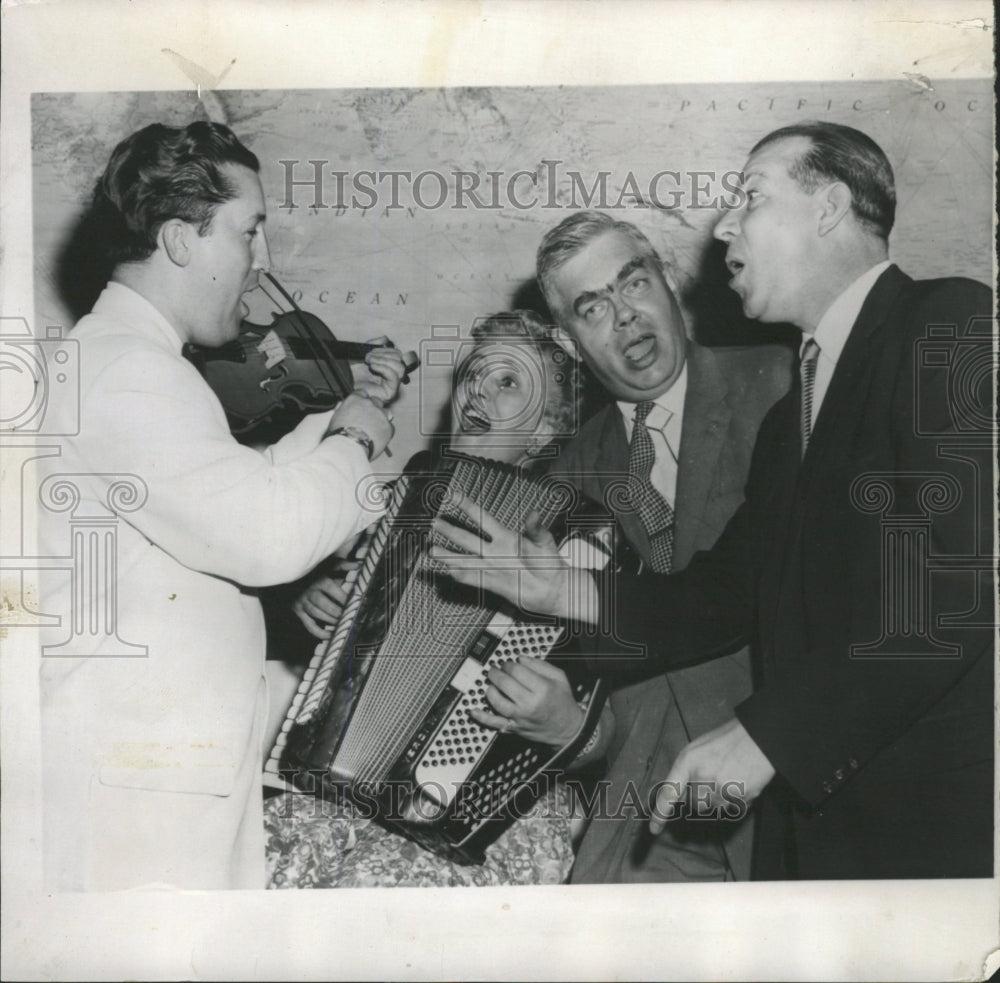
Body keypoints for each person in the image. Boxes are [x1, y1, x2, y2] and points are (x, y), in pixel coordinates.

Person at [431, 122, 994, 880]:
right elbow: (722, 596)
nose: (723, 225)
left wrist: (767, 737)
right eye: (592, 307)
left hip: (927, 829)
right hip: (818, 837)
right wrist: (560, 585)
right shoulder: (795, 420)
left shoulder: (948, 320)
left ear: (829, 207)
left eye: (751, 198)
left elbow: (949, 592)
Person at [38, 121, 410, 891]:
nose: (262, 259)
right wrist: (358, 440)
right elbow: (268, 534)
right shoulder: (129, 373)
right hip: (143, 799)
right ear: (181, 240)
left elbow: (234, 489)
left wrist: (340, 426)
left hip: (151, 777)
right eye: (250, 231)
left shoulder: (122, 365)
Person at [469, 211, 792, 884]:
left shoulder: (782, 384)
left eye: (633, 283)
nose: (625, 316)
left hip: (791, 790)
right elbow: (594, 699)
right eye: (593, 308)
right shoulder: (558, 485)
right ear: (569, 338)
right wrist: (567, 726)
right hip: (653, 820)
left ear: (668, 282)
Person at [264, 310, 598, 888]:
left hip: (478, 812)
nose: (478, 391)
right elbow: (281, 595)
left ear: (545, 429)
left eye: (509, 381)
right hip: (334, 781)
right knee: (260, 866)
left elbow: (608, 730)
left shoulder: (578, 542)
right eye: (475, 373)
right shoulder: (385, 495)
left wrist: (567, 722)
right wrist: (302, 593)